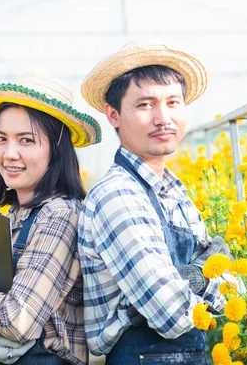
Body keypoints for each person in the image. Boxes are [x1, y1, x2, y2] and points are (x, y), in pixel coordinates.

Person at [78, 43, 237, 364]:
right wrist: (204, 273)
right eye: (145, 104)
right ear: (113, 115)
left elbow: (236, 288)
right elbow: (172, 314)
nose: (163, 118)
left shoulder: (174, 191)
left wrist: (191, 277)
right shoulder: (118, 195)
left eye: (173, 102)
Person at [0, 73, 102, 364]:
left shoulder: (60, 215)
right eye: (1, 139)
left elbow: (17, 321)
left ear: (55, 149)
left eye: (26, 140)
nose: (9, 154)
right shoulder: (11, 214)